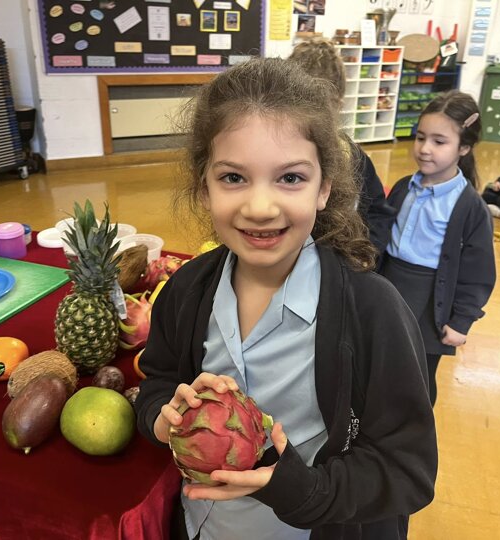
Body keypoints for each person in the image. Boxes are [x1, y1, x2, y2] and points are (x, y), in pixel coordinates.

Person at [134, 58, 437, 540]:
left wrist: (302, 489)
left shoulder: (373, 311)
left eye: (290, 178)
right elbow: (158, 382)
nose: (260, 207)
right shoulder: (186, 290)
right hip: (201, 526)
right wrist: (162, 418)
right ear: (204, 187)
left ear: (324, 189)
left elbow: (406, 470)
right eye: (233, 178)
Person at [381, 90, 496, 406]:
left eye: (439, 141)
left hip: (429, 300)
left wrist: (461, 321)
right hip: (390, 286)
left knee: (417, 377)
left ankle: (414, 430)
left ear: (464, 148)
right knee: (381, 364)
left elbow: (478, 273)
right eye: (421, 138)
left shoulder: (471, 207)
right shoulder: (403, 187)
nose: (425, 149)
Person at [288, 37, 396, 255]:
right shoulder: (276, 152)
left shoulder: (352, 156)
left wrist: (365, 252)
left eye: (319, 107)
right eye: (300, 104)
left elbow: (378, 212)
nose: (311, 117)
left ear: (337, 105)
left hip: (339, 261)